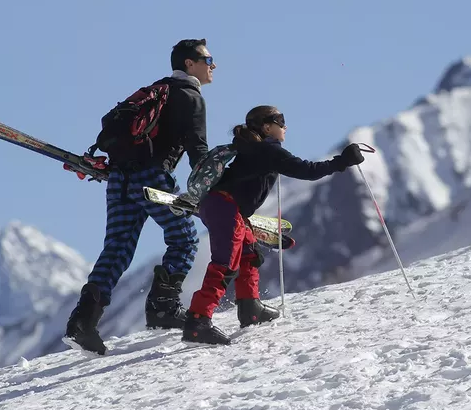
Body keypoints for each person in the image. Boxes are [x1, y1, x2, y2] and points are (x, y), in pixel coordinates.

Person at [64, 38, 216, 355]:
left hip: (119, 178)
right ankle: (163, 306)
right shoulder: (190, 96)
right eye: (208, 59)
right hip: (153, 178)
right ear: (189, 63)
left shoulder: (155, 90)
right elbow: (198, 151)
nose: (213, 65)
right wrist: (213, 189)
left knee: (117, 248)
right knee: (185, 237)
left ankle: (83, 321)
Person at [183, 105, 365, 345]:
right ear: (267, 127)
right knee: (225, 263)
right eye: (280, 121)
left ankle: (250, 308)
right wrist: (342, 161)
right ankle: (197, 322)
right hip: (225, 208)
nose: (285, 126)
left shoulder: (252, 149)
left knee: (249, 253)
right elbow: (307, 171)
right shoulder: (267, 150)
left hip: (222, 206)